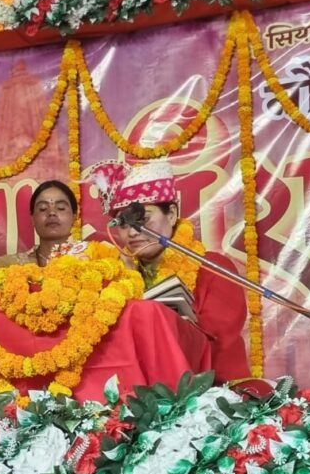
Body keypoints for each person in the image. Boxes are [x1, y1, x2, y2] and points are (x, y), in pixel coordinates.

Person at [89, 159, 252, 384]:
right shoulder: (114, 275)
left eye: (142, 219)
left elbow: (215, 342)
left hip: (212, 388)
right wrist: (126, 281)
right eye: (123, 223)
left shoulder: (213, 268)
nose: (133, 232)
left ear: (172, 214)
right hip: (133, 390)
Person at [0, 179, 81, 267]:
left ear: (74, 217)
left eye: (61, 208)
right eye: (43, 208)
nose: (52, 213)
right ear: (33, 219)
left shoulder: (87, 261)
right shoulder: (7, 265)